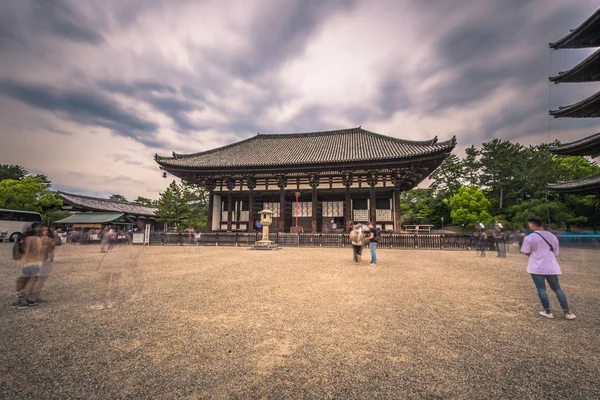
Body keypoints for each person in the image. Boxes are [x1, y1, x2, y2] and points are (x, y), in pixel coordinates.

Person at [520, 216, 576, 320]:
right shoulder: (552, 237)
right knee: (557, 288)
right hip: (551, 266)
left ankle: (547, 311)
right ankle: (567, 312)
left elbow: (526, 252)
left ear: (531, 224)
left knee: (541, 288)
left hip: (536, 267)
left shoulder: (529, 238)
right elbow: (555, 252)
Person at [12, 222, 45, 308]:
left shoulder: (24, 237)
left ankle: (18, 300)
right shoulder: (35, 238)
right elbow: (37, 251)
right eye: (40, 227)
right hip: (33, 261)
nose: (42, 229)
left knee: (23, 279)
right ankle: (25, 300)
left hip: (25, 261)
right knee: (32, 280)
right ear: (35, 228)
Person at [29, 226, 62, 303]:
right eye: (45, 230)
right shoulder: (45, 238)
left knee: (33, 279)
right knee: (39, 280)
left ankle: (29, 297)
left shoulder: (34, 238)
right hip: (40, 261)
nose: (46, 231)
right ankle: (33, 298)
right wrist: (54, 233)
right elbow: (58, 242)